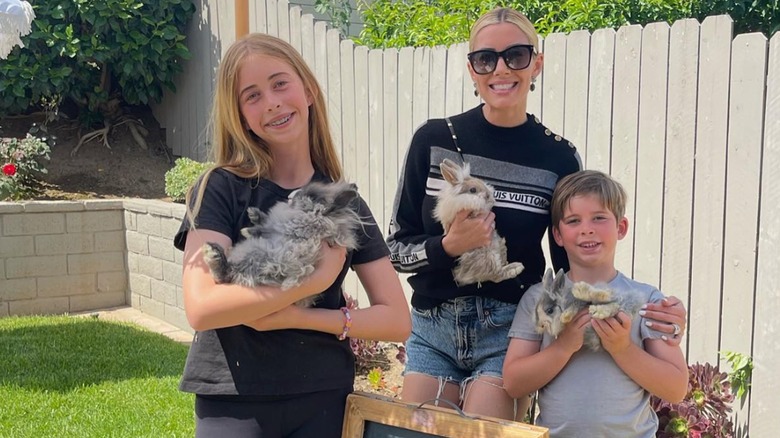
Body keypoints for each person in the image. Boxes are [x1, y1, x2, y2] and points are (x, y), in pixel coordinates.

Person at [386, 6, 687, 422]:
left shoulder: (557, 156)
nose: (500, 69)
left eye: (517, 55)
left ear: (536, 64)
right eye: (485, 59)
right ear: (472, 70)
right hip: (434, 326)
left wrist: (653, 317)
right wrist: (448, 246)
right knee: (417, 432)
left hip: (512, 330)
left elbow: (576, 265)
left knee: (484, 431)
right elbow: (397, 250)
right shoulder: (434, 140)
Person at [174, 33, 411, 438]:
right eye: (252, 96)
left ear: (309, 90)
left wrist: (301, 316)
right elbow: (202, 307)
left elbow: (396, 319)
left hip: (323, 397)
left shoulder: (344, 201)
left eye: (280, 83)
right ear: (240, 116)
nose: (271, 102)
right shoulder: (221, 187)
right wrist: (314, 281)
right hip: (232, 400)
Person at [503, 170, 689, 436]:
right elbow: (513, 383)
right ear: (557, 235)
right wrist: (563, 347)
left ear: (621, 227)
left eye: (599, 218)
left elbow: (675, 388)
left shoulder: (646, 300)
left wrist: (622, 348)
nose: (587, 229)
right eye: (573, 220)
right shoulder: (539, 298)